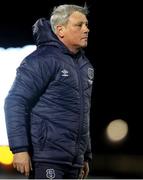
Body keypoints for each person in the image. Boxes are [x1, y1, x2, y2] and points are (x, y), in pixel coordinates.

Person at [4, 4, 94, 179]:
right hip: (46, 158)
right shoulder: (42, 60)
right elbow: (15, 101)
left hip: (74, 161)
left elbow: (83, 113)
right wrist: (19, 149)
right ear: (60, 30)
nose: (87, 29)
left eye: (87, 24)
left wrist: (85, 155)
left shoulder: (85, 66)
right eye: (79, 25)